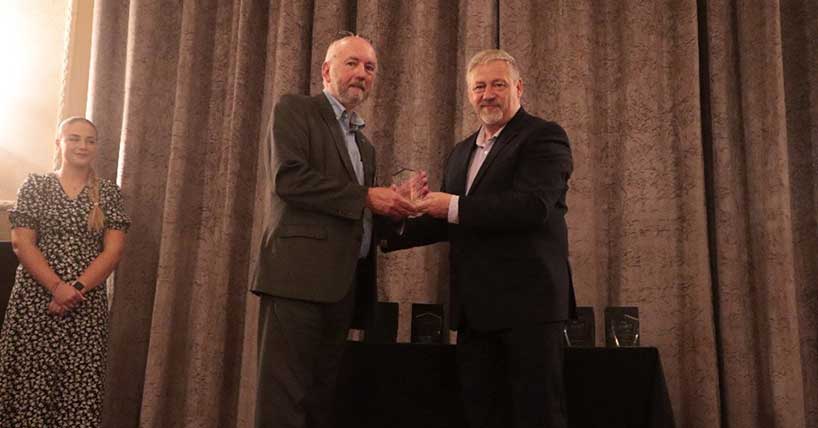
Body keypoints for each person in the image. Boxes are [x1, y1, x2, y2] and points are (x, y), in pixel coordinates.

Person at [384, 49, 575, 428]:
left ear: (518, 88)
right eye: (479, 87)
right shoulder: (460, 152)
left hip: (529, 312)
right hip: (474, 314)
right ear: (470, 94)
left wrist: (451, 204)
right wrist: (397, 217)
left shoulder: (544, 137)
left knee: (537, 417)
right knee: (482, 415)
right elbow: (447, 220)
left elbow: (532, 206)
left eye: (498, 84)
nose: (488, 94)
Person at [251, 34, 418, 428]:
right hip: (295, 282)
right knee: (283, 402)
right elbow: (289, 179)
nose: (362, 73)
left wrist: (398, 207)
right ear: (327, 71)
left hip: (343, 288)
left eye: (370, 68)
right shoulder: (295, 110)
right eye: (352, 63)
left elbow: (360, 212)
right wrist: (366, 196)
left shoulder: (365, 146)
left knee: (320, 401)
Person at [0, 117, 130, 427]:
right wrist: (57, 288)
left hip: (85, 307)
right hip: (35, 303)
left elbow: (113, 252)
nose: (82, 146)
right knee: (29, 389)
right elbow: (22, 243)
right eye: (73, 138)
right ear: (58, 143)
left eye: (89, 140)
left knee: (78, 388)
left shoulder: (109, 193)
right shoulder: (36, 185)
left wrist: (76, 290)